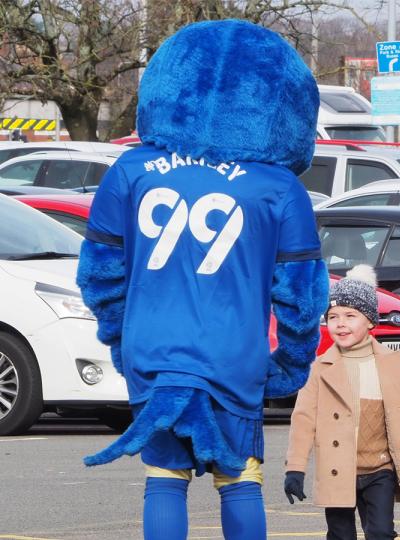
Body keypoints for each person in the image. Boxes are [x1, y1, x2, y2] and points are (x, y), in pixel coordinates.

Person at [76, 20, 328, 540]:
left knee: (164, 478)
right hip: (233, 354)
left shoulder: (130, 171)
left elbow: (101, 276)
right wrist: (292, 362)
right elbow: (301, 296)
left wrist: (122, 340)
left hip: (154, 347)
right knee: (239, 478)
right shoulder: (279, 187)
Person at [283, 265, 400, 540]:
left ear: (371, 321)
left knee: (381, 532)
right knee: (340, 535)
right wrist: (295, 469)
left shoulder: (393, 364)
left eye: (350, 316)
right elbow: (303, 420)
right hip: (338, 469)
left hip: (380, 469)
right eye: (333, 316)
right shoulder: (320, 368)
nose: (340, 323)